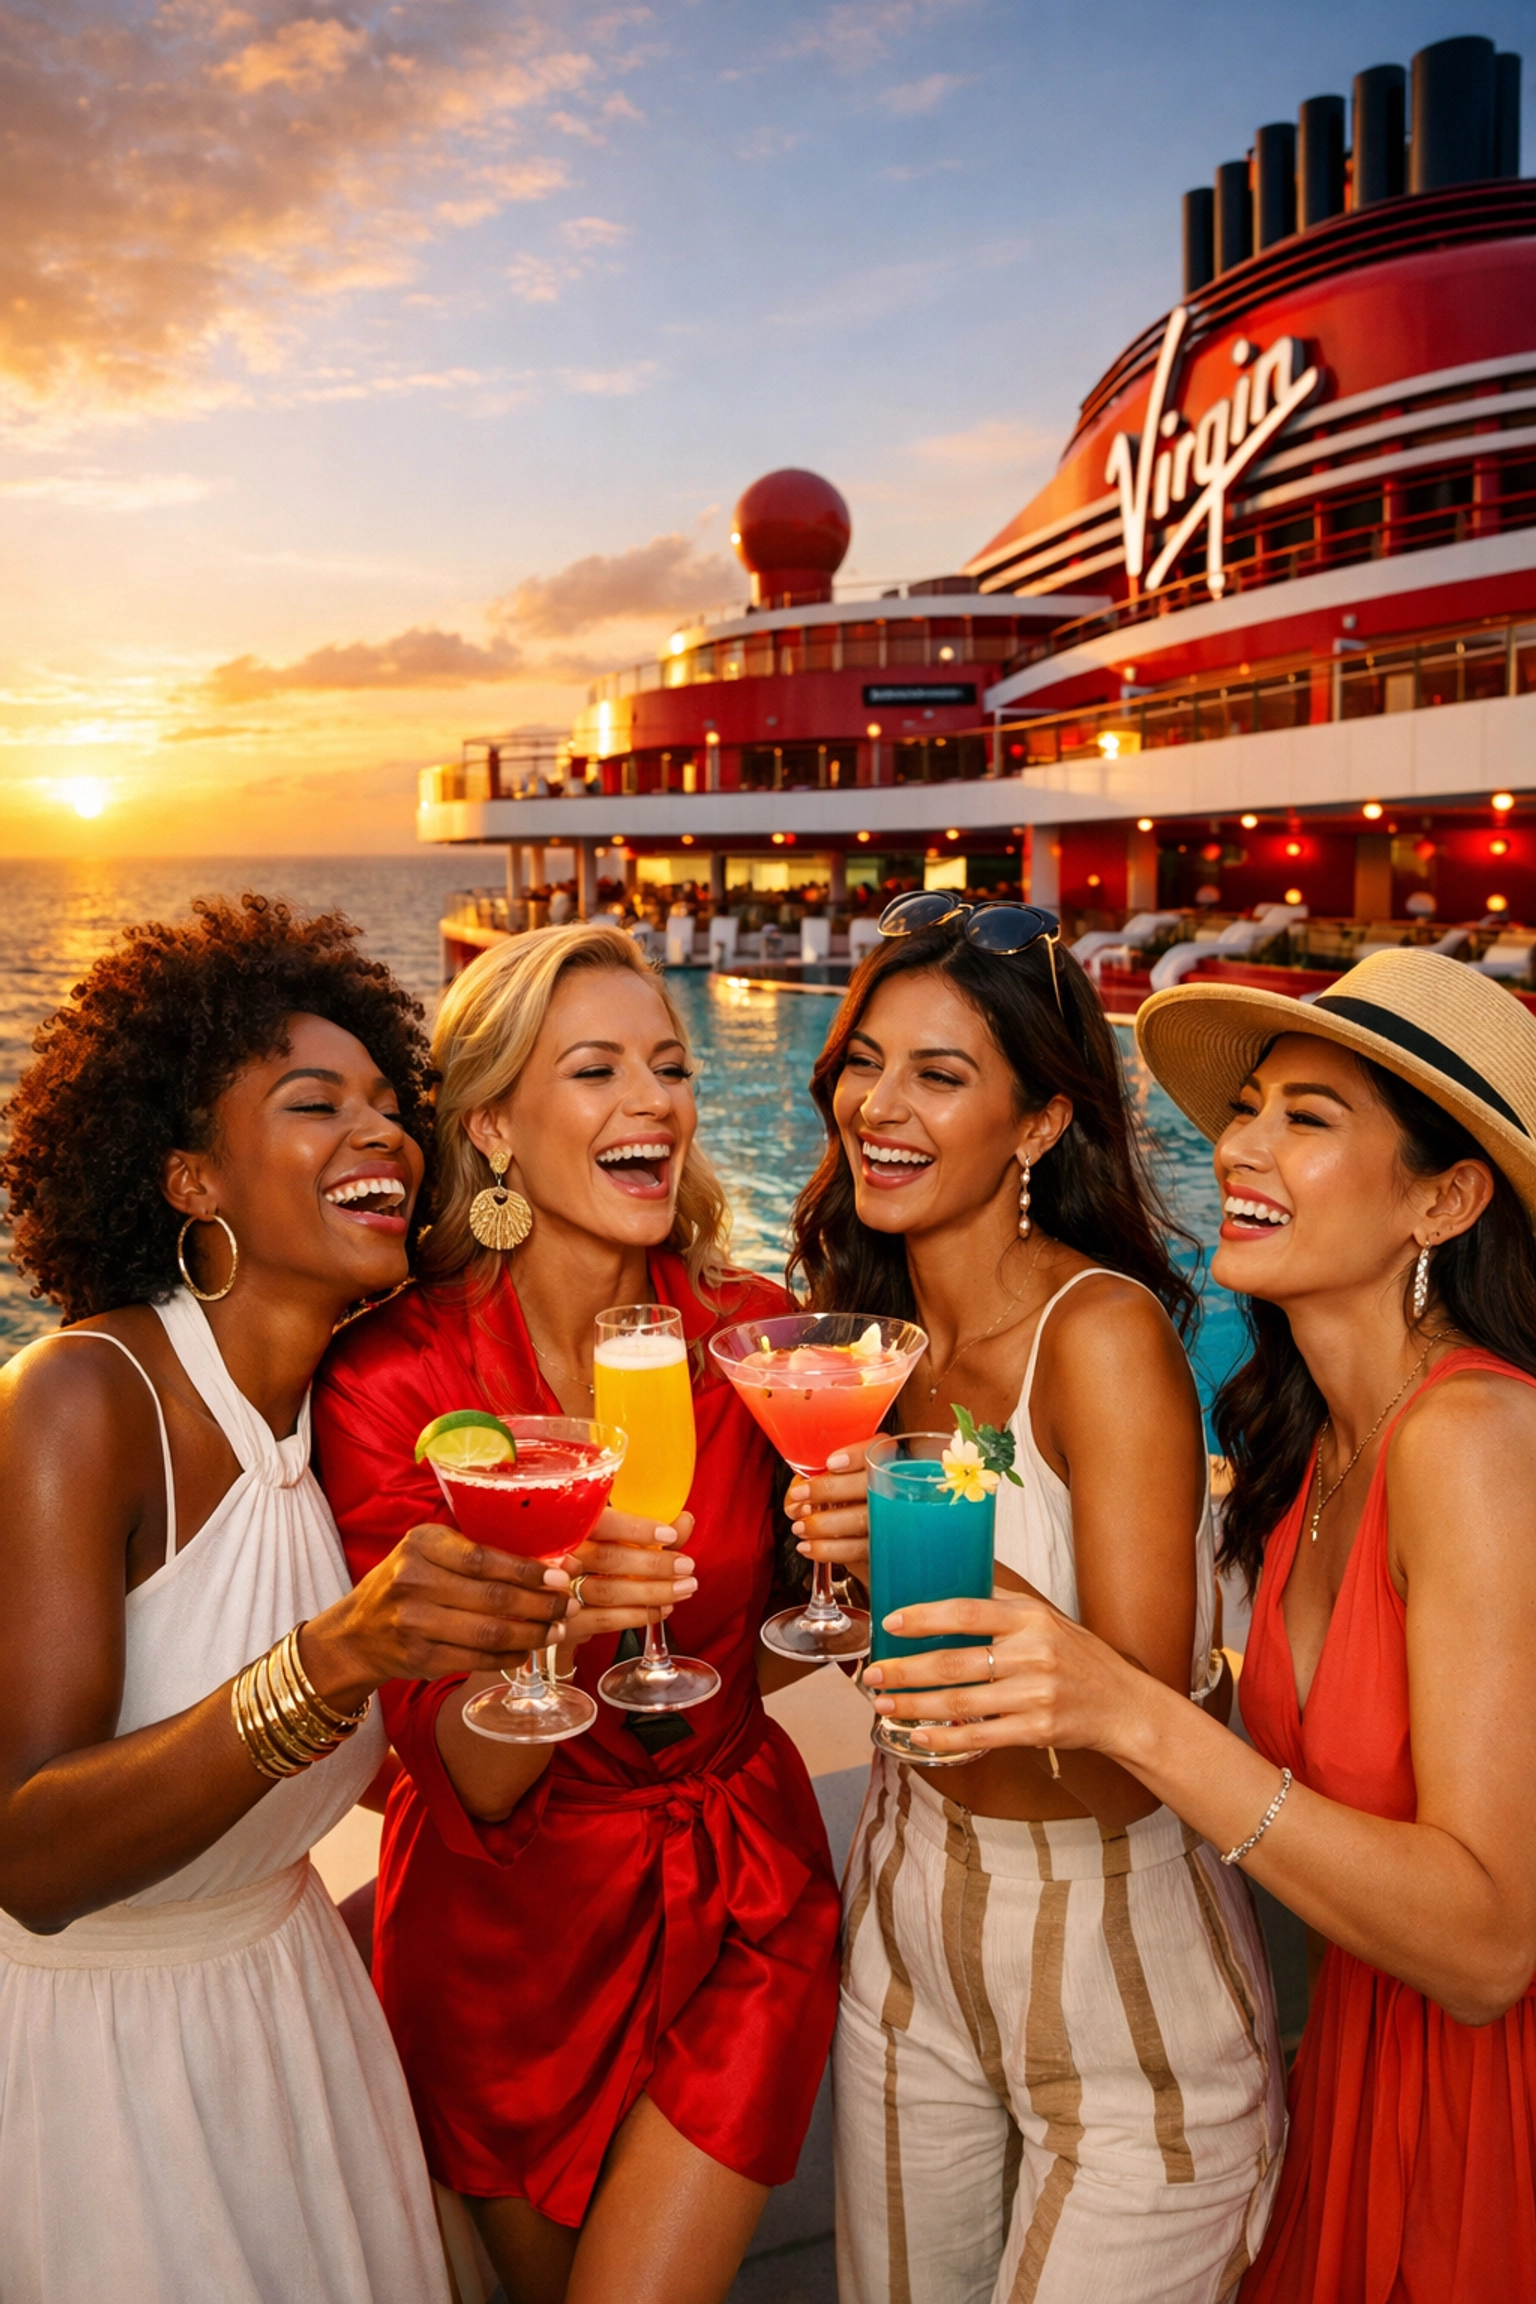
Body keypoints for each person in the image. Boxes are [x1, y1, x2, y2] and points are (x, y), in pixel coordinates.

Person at [867, 946, 1536, 2304]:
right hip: (1356, 2060)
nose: (1243, 1146)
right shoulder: (1315, 1451)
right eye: (1249, 1108)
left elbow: (1489, 1949)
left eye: (1310, 1119)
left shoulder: (1472, 1433)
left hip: (1481, 2107)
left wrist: (1121, 1700)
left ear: (1448, 1196)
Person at [0, 894, 579, 2304]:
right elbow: (29, 1857)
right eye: (315, 1104)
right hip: (101, 2069)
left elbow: (419, 1773)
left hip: (300, 2019)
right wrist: (328, 1664)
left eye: (390, 1103)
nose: (381, 1132)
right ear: (193, 1180)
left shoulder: (354, 1417)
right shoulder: (82, 1399)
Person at [313, 921, 840, 2304]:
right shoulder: (391, 1383)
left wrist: (867, 1545)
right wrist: (569, 1625)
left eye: (668, 1067)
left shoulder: (750, 1331)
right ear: (491, 1128)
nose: (655, 1101)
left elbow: (769, 1634)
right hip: (504, 1950)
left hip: (743, 1904)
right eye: (597, 1070)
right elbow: (458, 1772)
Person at [787, 892, 1285, 2304]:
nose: (878, 1105)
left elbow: (1145, 1754)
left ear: (1041, 1125)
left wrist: (917, 1554)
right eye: (865, 1061)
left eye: (941, 1075)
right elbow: (884, 1674)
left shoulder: (1105, 1335)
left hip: (1120, 1979)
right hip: (901, 1922)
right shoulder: (868, 1336)